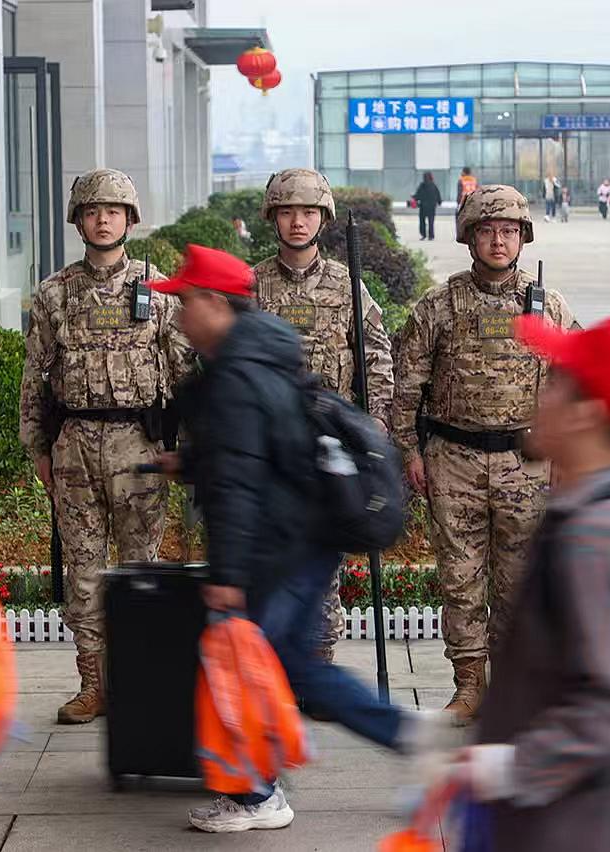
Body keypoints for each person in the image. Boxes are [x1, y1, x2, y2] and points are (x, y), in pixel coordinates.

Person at [154, 245, 441, 833]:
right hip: (305, 538)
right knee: (293, 666)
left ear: (213, 302)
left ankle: (257, 796)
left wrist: (228, 578)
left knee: (238, 666)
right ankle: (404, 734)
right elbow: (261, 449)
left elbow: (240, 481)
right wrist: (193, 461)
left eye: (185, 301)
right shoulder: (263, 355)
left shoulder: (236, 373)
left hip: (273, 547)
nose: (178, 314)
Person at [454, 309, 610, 851]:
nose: (541, 396)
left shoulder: (606, 535)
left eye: (557, 383)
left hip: (596, 827)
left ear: (588, 412)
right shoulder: (586, 514)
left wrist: (510, 766)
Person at [391, 185, 578, 726]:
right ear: (469, 236)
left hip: (527, 463)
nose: (499, 241)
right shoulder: (439, 304)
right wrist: (410, 450)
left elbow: (572, 381)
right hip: (455, 459)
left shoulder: (548, 305)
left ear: (523, 237)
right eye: (488, 231)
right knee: (461, 578)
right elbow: (407, 387)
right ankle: (469, 686)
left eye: (510, 231)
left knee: (520, 582)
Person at [19, 168, 193, 724]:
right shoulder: (53, 293)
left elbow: (183, 369)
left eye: (113, 211)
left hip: (139, 444)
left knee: (139, 566)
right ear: (78, 221)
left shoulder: (157, 288)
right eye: (92, 211)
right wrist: (38, 448)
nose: (102, 220)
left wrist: (186, 447)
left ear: (130, 220)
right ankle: (92, 683)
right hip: (74, 448)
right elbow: (34, 377)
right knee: (84, 570)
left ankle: (138, 680)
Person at [252, 168, 394, 663]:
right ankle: (272, 669)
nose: (297, 222)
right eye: (287, 212)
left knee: (323, 564)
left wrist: (374, 421)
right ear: (273, 217)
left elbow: (376, 354)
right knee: (268, 559)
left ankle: (319, 663)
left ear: (324, 219)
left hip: (328, 447)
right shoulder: (253, 286)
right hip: (270, 448)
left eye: (308, 212)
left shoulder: (347, 285)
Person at [414, 171, 442, 240]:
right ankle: (431, 236)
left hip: (423, 206)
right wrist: (439, 202)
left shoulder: (422, 185)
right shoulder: (433, 185)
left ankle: (423, 234)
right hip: (432, 206)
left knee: (422, 221)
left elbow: (418, 195)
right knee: (431, 221)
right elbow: (438, 194)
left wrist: (414, 198)